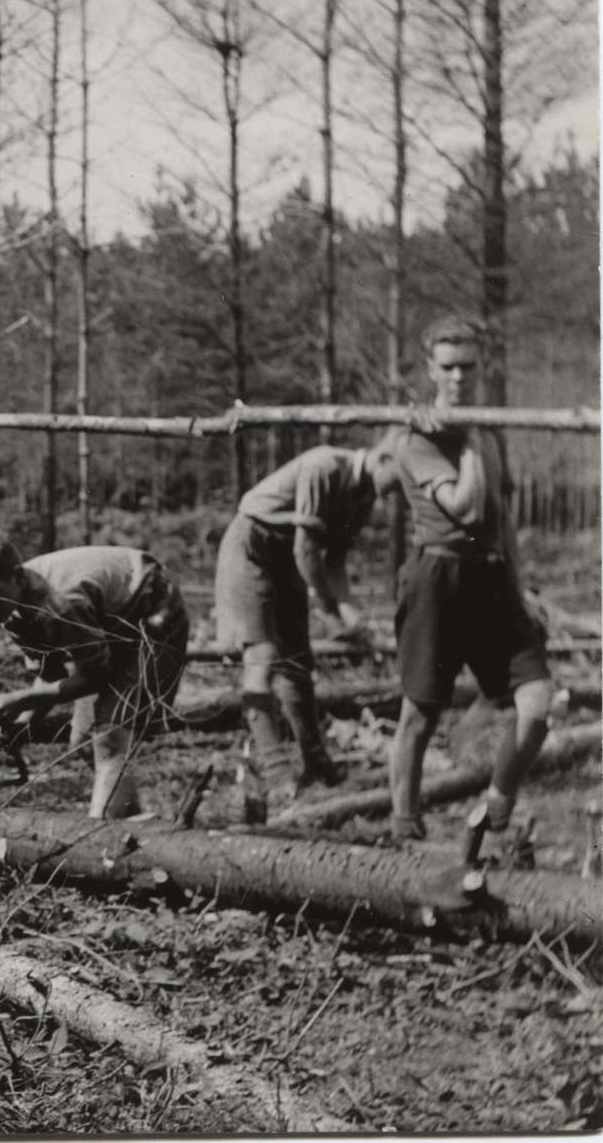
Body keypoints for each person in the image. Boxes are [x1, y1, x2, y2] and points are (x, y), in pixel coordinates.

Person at [389, 316, 553, 868]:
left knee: (536, 704)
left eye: (469, 367)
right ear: (431, 371)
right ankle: (404, 829)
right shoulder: (416, 436)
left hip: (491, 579)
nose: (460, 377)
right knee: (420, 712)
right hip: (439, 576)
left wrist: (520, 584)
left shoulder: (488, 429)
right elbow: (464, 506)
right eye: (449, 367)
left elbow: (499, 518)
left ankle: (498, 808)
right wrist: (472, 437)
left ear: (481, 369)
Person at [214, 431, 406, 819]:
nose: (399, 492)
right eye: (400, 479)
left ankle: (316, 762)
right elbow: (307, 549)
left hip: (288, 561)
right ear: (383, 459)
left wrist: (351, 614)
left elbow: (333, 560)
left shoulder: (364, 497)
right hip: (252, 547)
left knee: (298, 664)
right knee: (263, 657)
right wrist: (330, 609)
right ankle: (276, 772)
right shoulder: (325, 466)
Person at [0, 532, 189, 819]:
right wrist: (22, 724)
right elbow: (50, 674)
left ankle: (104, 834)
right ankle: (130, 825)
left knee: (111, 733)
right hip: (110, 626)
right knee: (82, 741)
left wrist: (20, 699)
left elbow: (94, 677)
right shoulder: (10, 611)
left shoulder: (61, 601)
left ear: (16, 577)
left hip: (155, 613)